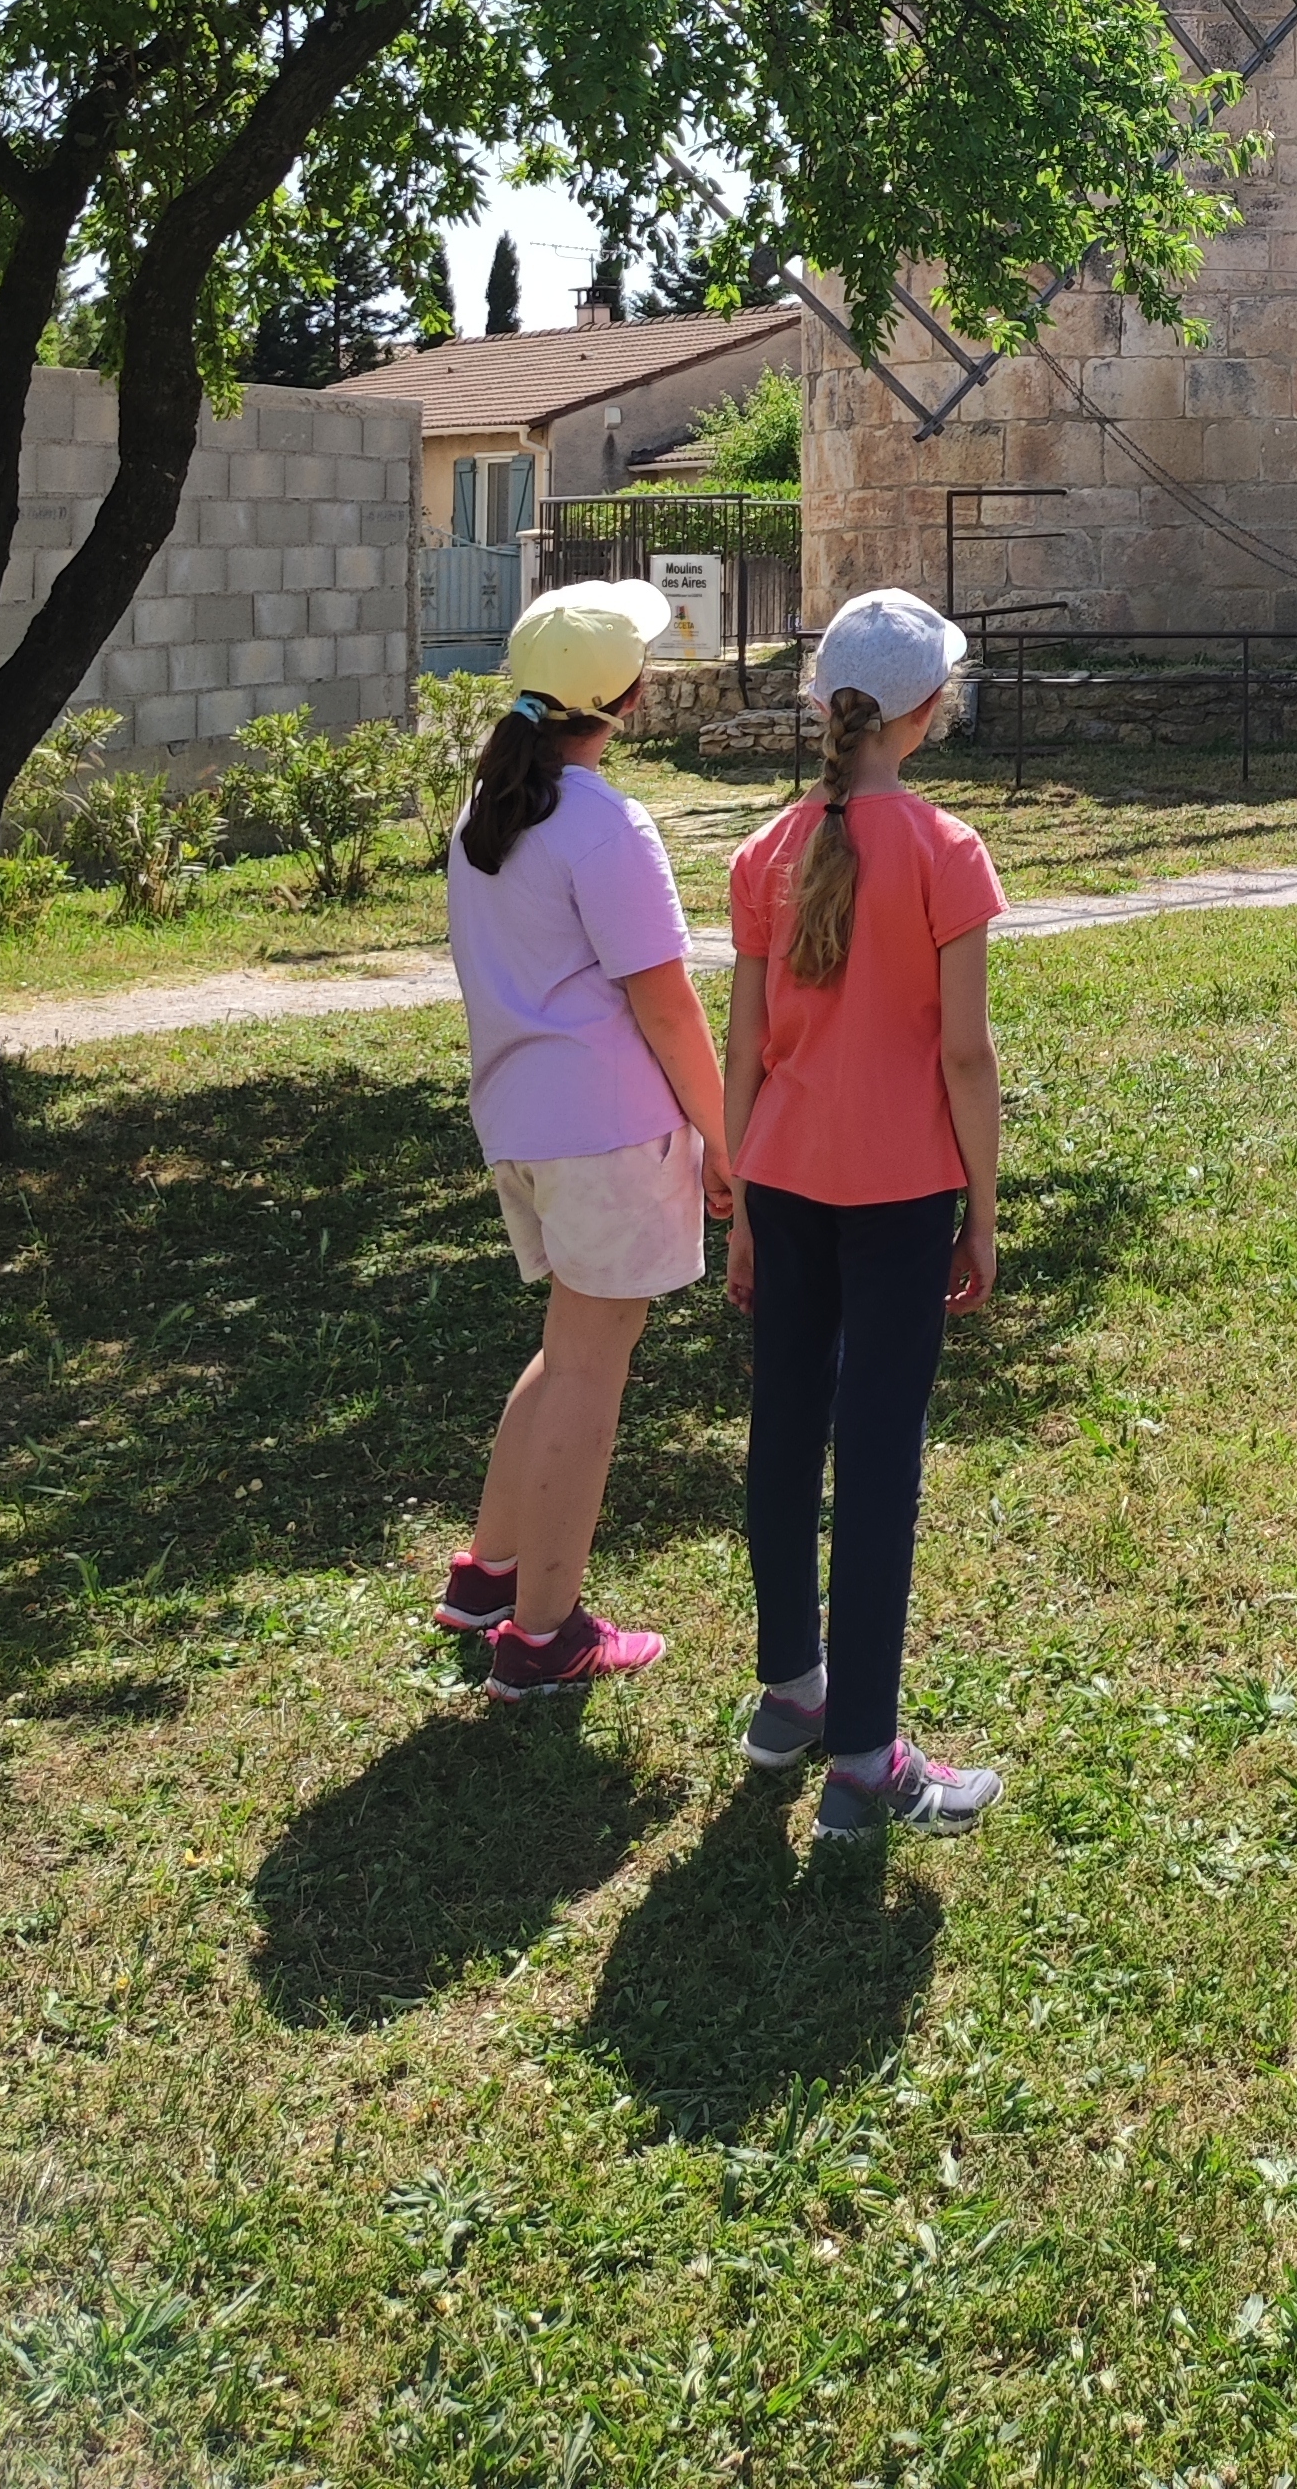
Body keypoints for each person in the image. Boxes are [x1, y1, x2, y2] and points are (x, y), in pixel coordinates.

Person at [722, 585, 1008, 1838]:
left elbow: (741, 1046)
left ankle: (793, 1693)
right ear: (926, 710)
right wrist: (984, 1209)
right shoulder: (947, 852)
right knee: (877, 1460)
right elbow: (964, 1057)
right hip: (898, 1192)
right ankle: (865, 1759)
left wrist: (734, 1201)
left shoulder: (761, 851)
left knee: (782, 1435)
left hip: (779, 1177)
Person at [434, 578, 736, 1701]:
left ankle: (489, 1575)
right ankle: (545, 1631)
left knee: (569, 1349)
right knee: (592, 1373)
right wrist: (727, 1140)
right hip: (609, 1133)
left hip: (522, 1123)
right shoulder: (605, 821)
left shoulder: (488, 810)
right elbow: (665, 1004)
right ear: (625, 696)